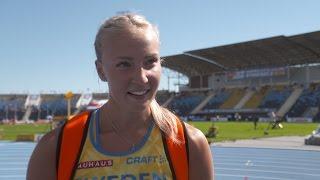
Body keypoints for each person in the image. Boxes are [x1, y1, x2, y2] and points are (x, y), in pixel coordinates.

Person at [27, 13, 214, 180]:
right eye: (124, 64)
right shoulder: (55, 149)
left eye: (150, 61)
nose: (141, 78)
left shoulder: (189, 144)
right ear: (101, 70)